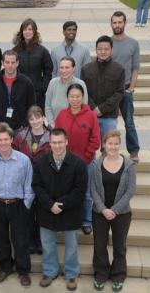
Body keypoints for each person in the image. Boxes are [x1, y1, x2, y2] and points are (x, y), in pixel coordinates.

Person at [32, 128, 88, 291]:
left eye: (60, 142)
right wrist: (50, 204)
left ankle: (71, 274)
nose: (57, 146)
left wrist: (60, 205)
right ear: (49, 143)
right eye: (54, 143)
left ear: (66, 142)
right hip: (46, 210)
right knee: (47, 244)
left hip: (70, 211)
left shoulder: (78, 163)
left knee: (71, 246)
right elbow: (37, 185)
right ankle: (50, 271)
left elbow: (80, 190)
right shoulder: (41, 162)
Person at [0, 122, 34, 287]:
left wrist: (26, 204)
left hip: (18, 204)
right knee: (0, 239)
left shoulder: (23, 160)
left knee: (21, 239)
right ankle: (5, 267)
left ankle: (23, 270)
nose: (3, 142)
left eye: (6, 139)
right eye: (0, 140)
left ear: (12, 139)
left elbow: (29, 184)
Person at [91, 130, 136, 292]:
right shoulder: (97, 164)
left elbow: (130, 190)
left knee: (119, 246)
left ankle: (118, 275)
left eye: (116, 143)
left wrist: (115, 210)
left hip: (122, 214)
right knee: (100, 245)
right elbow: (93, 190)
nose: (113, 147)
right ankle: (101, 274)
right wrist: (103, 209)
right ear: (104, 145)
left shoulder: (129, 165)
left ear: (120, 145)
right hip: (99, 213)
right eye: (110, 143)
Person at [55, 83, 100, 235]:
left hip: (86, 162)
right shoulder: (62, 115)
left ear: (83, 97)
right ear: (67, 97)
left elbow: (95, 139)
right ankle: (67, 219)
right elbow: (57, 137)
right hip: (65, 162)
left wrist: (85, 158)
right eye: (71, 96)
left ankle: (87, 221)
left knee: (86, 194)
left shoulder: (91, 115)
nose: (74, 99)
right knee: (66, 192)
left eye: (77, 96)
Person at [13, 105, 51, 255]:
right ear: (28, 120)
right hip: (25, 180)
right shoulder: (20, 136)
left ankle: (41, 242)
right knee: (27, 212)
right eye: (31, 118)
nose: (35, 121)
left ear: (43, 118)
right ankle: (29, 241)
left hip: (45, 181)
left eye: (37, 117)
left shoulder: (52, 135)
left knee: (42, 212)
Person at [80, 36, 125, 140]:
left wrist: (101, 109)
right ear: (96, 50)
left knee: (108, 147)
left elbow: (119, 93)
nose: (103, 52)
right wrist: (93, 108)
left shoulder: (119, 69)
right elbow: (83, 91)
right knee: (89, 146)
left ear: (111, 50)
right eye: (100, 49)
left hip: (109, 117)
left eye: (106, 49)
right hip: (89, 115)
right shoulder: (86, 69)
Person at [111, 11, 141, 163]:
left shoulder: (133, 43)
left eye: (119, 22)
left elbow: (136, 68)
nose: (117, 25)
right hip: (110, 91)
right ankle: (107, 150)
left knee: (129, 122)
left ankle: (134, 151)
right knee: (110, 123)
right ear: (111, 24)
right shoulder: (107, 43)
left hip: (126, 88)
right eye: (114, 22)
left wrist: (131, 88)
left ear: (124, 23)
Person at [0, 50, 36, 135]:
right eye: (7, 62)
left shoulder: (26, 82)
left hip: (20, 129)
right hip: (0, 128)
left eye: (13, 62)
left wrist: (24, 124)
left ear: (17, 63)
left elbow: (31, 106)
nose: (10, 65)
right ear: (2, 63)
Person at [12, 18, 53, 110]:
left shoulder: (42, 51)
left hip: (37, 93)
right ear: (21, 32)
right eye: (25, 29)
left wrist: (43, 87)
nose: (27, 32)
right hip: (20, 91)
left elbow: (48, 71)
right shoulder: (15, 51)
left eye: (30, 29)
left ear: (34, 31)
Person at [45, 56, 88, 127]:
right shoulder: (52, 83)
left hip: (75, 127)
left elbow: (84, 107)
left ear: (73, 68)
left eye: (67, 67)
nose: (64, 71)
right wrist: (52, 125)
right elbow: (47, 106)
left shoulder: (81, 84)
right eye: (61, 67)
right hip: (55, 128)